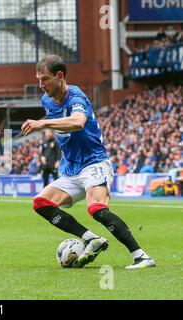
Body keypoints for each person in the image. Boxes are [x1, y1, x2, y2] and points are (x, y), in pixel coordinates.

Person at [21, 55, 155, 269]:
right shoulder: (46, 100)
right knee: (41, 203)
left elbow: (78, 122)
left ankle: (141, 256)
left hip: (94, 163)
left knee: (97, 209)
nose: (40, 84)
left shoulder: (76, 97)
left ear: (60, 76)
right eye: (38, 79)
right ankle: (91, 239)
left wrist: (43, 123)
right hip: (71, 169)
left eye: (45, 79)